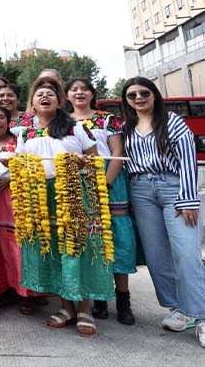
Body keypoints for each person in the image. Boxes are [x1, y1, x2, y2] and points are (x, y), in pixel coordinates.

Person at [15, 78, 112, 338]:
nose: (44, 97)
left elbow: (95, 160)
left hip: (73, 192)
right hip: (40, 196)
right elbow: (21, 163)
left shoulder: (75, 128)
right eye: (39, 94)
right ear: (33, 103)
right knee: (54, 249)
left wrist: (81, 163)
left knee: (76, 248)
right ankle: (66, 306)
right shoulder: (25, 133)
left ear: (60, 102)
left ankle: (84, 309)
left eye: (50, 94)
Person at [121, 77, 205, 347]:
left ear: (154, 95)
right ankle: (179, 309)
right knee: (156, 257)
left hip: (174, 189)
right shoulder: (127, 127)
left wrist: (188, 199)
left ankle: (201, 315)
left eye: (144, 92)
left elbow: (188, 161)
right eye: (132, 95)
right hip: (141, 192)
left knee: (186, 253)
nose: (138, 98)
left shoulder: (172, 122)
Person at [67, 78, 137, 325]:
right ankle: (98, 296)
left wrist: (105, 182)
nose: (79, 93)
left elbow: (117, 153)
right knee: (90, 238)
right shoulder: (63, 121)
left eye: (84, 89)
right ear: (66, 95)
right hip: (78, 182)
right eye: (74, 89)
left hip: (110, 179)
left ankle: (123, 299)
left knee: (118, 236)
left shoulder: (107, 118)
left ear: (92, 94)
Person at [0, 106, 43, 315]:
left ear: (9, 121)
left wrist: (10, 178)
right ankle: (5, 288)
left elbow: (32, 165)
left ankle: (27, 293)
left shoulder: (19, 141)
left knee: (20, 246)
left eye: (1, 117)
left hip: (17, 198)